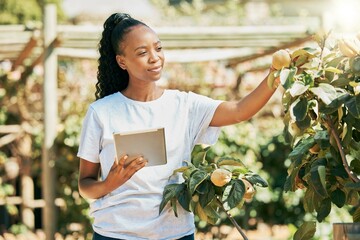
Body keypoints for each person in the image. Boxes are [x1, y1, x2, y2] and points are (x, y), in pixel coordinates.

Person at [77, 12, 279, 240]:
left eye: (158, 48)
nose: (155, 58)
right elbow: (85, 184)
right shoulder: (101, 112)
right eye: (142, 53)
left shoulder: (184, 105)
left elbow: (240, 111)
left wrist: (276, 75)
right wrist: (109, 184)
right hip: (114, 233)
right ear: (121, 61)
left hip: (175, 234)